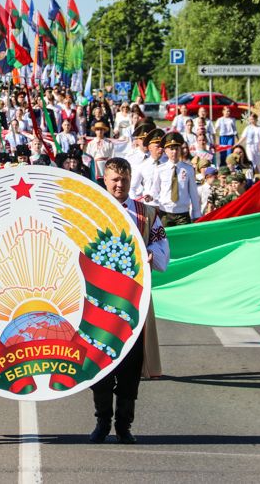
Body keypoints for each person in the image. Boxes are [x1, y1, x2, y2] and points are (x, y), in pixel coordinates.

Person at [88, 157, 168, 444]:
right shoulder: (91, 210)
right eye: (114, 180)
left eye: (124, 180)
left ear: (131, 179)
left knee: (130, 367)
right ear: (105, 180)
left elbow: (161, 244)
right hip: (100, 301)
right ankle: (102, 421)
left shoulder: (146, 213)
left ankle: (124, 425)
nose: (119, 185)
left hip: (134, 302)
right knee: (100, 363)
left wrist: (152, 254)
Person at [153, 132, 201, 226]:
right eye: (171, 149)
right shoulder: (159, 170)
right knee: (165, 235)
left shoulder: (188, 169)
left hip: (183, 213)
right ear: (165, 151)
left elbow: (193, 193)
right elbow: (155, 191)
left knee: (184, 235)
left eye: (177, 149)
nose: (174, 152)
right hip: (165, 213)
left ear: (180, 150)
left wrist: (196, 214)